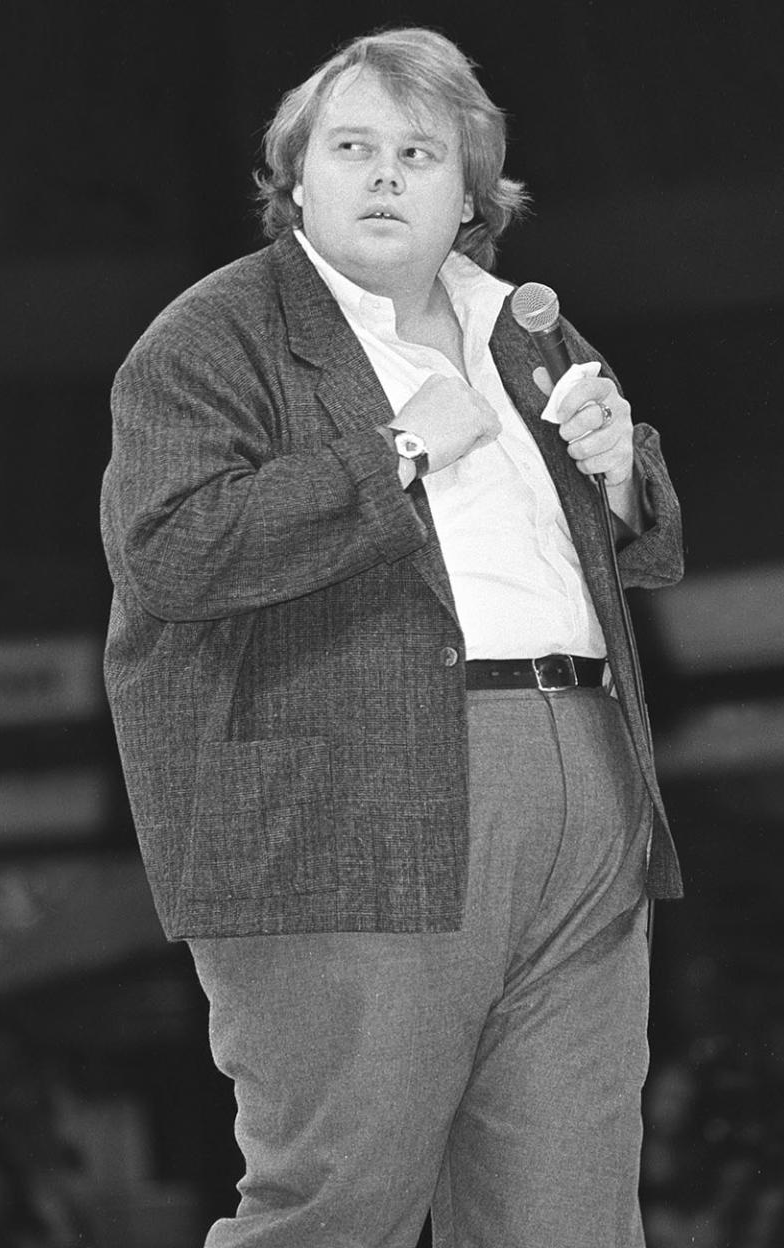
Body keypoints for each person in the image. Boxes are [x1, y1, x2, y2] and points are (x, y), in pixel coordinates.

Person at [100, 25, 684, 1248]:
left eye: (417, 153)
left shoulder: (525, 331)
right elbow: (173, 549)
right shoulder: (213, 335)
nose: (381, 175)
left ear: (471, 191)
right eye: (351, 147)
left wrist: (624, 473)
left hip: (585, 777)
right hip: (348, 804)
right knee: (338, 1207)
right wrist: (397, 449)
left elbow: (638, 545)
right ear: (294, 179)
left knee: (572, 1216)